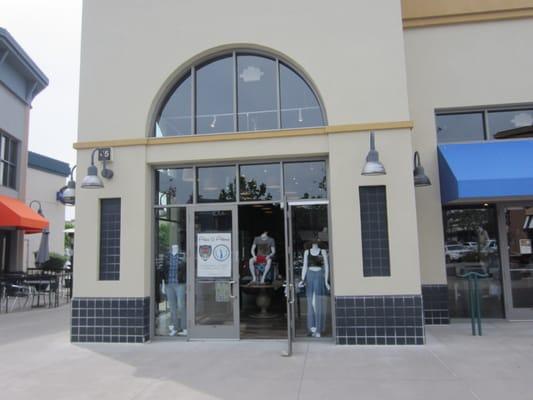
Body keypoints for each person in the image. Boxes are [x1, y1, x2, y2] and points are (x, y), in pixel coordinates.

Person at [298, 241, 330, 337]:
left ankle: (318, 328)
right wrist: (302, 279)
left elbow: (326, 267)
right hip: (310, 275)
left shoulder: (323, 251)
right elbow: (304, 266)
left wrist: (326, 281)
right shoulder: (307, 252)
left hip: (319, 275)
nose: (314, 243)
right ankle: (312, 327)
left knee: (318, 302)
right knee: (311, 302)